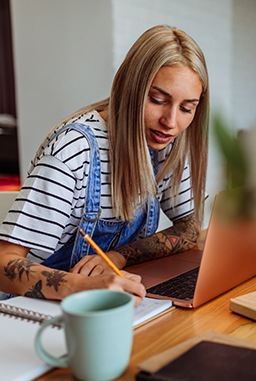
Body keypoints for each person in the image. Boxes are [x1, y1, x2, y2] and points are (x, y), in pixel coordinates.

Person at [0, 25, 209, 305]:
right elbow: (3, 264)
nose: (171, 122)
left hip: (105, 305)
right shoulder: (74, 149)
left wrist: (116, 256)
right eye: (158, 100)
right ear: (129, 86)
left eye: (187, 108)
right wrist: (82, 285)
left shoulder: (164, 143)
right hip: (32, 310)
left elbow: (190, 228)